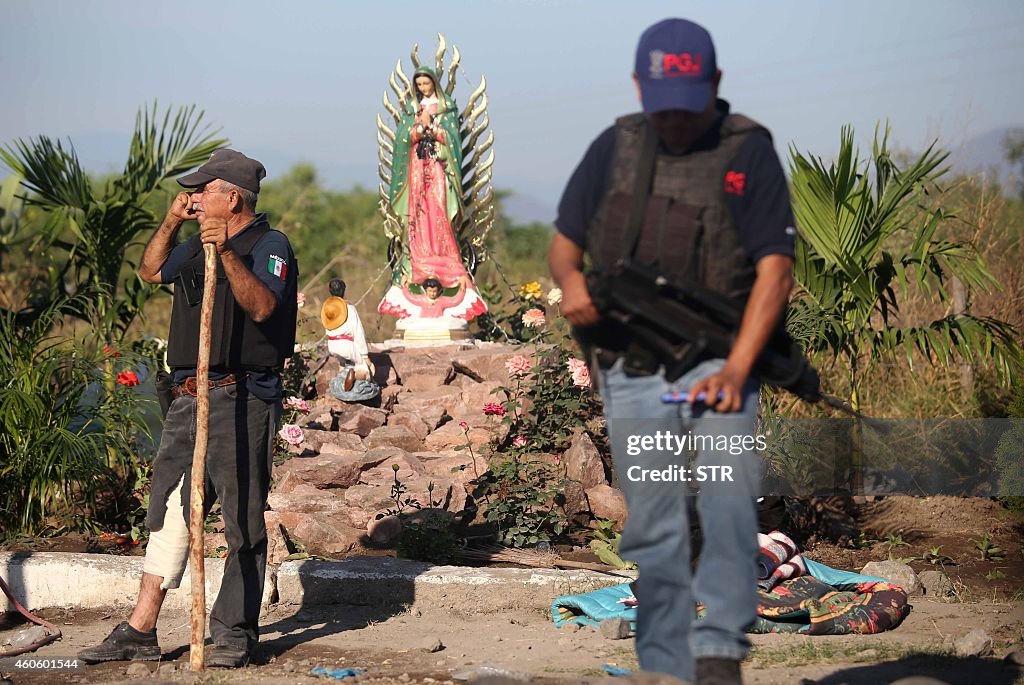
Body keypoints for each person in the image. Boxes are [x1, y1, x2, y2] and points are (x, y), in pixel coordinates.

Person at [548, 19, 796, 685]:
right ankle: (664, 662)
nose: (676, 119)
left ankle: (717, 653)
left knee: (725, 504)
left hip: (722, 359)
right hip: (633, 368)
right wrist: (572, 285)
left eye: (689, 101)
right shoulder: (615, 148)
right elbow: (565, 245)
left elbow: (776, 270)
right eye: (662, 102)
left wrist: (739, 369)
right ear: (639, 86)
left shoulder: (748, 152)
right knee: (655, 522)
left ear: (714, 84)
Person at [79, 149, 298, 668]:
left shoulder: (270, 245)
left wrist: (224, 254)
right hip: (186, 395)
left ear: (233, 198)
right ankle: (140, 628)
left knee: (242, 516)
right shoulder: (193, 240)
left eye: (203, 191)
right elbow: (150, 271)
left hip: (243, 396)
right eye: (193, 192)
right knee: (171, 511)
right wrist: (173, 220)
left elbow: (265, 307)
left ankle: (233, 632)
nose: (195, 197)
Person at [378, 66, 486, 322]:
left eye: (427, 84)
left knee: (438, 212)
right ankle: (416, 260)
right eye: (420, 85)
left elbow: (453, 143)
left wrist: (434, 129)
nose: (423, 88)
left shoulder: (446, 109)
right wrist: (417, 129)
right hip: (417, 170)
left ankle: (446, 262)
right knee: (417, 213)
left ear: (434, 83)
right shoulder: (411, 109)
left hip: (438, 170)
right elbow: (403, 139)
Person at [322, 277, 375, 381]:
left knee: (343, 364)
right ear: (344, 290)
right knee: (364, 369)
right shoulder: (349, 308)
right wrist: (365, 356)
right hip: (346, 345)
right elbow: (358, 331)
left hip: (332, 345)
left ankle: (342, 378)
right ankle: (352, 378)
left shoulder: (327, 307)